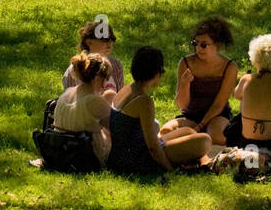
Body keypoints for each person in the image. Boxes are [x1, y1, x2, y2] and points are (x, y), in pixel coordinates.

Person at [108, 46, 212, 175]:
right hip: (137, 159)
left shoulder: (127, 89)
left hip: (123, 154)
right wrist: (169, 170)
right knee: (204, 141)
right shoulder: (143, 101)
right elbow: (152, 147)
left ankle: (203, 163)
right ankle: (203, 164)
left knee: (188, 131)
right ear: (156, 73)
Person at [162, 16, 238, 146]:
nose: (198, 49)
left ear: (217, 45)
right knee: (165, 132)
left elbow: (219, 104)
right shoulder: (186, 62)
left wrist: (199, 127)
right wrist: (185, 84)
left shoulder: (229, 67)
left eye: (204, 45)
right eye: (195, 43)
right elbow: (182, 104)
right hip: (191, 115)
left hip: (217, 116)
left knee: (218, 137)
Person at [53, 52, 115, 166]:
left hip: (60, 151)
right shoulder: (94, 101)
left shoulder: (66, 94)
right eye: (105, 78)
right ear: (97, 78)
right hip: (84, 155)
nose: (105, 84)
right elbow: (116, 129)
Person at [62, 18, 124, 93]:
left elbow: (120, 97)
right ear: (89, 42)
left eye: (111, 40)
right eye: (104, 40)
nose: (109, 45)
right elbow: (70, 101)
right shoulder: (77, 69)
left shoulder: (116, 65)